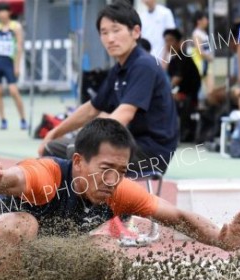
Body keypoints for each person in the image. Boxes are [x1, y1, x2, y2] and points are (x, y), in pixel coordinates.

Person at [0, 118, 240, 279]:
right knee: (21, 224)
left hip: (25, 271)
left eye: (120, 170)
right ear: (79, 162)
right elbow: (17, 179)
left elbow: (176, 217)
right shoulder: (49, 176)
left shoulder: (117, 190)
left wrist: (220, 238)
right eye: (105, 168)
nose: (112, 180)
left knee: (105, 249)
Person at [39, 1, 179, 174]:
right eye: (104, 33)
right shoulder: (119, 68)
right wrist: (53, 132)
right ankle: (57, 200)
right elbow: (91, 108)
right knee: (53, 148)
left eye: (116, 30)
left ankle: (85, 201)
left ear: (136, 32)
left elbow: (124, 114)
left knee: (76, 154)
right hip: (126, 144)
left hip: (150, 153)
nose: (110, 38)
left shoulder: (144, 65)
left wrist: (84, 140)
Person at [0, 2, 27, 130]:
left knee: (14, 91)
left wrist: (17, 65)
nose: (2, 14)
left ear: (9, 12)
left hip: (9, 62)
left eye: (4, 11)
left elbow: (19, 47)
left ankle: (22, 118)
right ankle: (3, 119)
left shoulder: (16, 27)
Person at [164, 29, 201, 141]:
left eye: (171, 41)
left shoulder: (183, 58)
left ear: (179, 42)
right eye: (166, 41)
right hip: (179, 95)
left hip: (188, 97)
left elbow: (175, 81)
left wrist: (164, 92)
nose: (168, 44)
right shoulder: (173, 60)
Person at [139, 0, 176, 65]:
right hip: (147, 60)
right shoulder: (142, 16)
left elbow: (171, 37)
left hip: (163, 60)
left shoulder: (165, 13)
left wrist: (165, 59)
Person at [192, 11, 214, 91]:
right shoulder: (196, 34)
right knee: (208, 89)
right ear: (199, 21)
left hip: (206, 63)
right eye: (205, 19)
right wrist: (209, 57)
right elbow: (200, 51)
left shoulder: (203, 33)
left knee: (210, 89)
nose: (207, 21)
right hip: (201, 65)